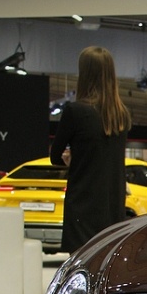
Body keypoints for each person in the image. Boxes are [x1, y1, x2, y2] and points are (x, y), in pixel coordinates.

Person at [50, 46, 131, 253]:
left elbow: (54, 156)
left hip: (83, 203)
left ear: (84, 74)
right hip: (113, 204)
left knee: (80, 268)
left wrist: (70, 160)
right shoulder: (121, 115)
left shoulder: (75, 111)